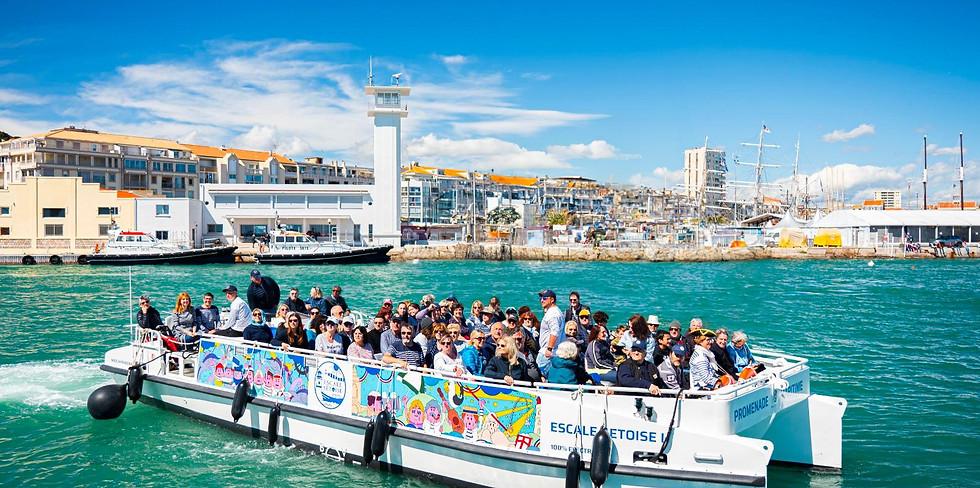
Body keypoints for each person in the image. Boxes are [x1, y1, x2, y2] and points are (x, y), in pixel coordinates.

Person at [535, 289, 564, 378]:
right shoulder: (556, 311)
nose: (541, 300)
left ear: (552, 300)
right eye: (541, 298)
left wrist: (549, 349)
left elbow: (554, 331)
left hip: (548, 353)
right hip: (554, 351)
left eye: (544, 298)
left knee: (549, 376)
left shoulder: (552, 314)